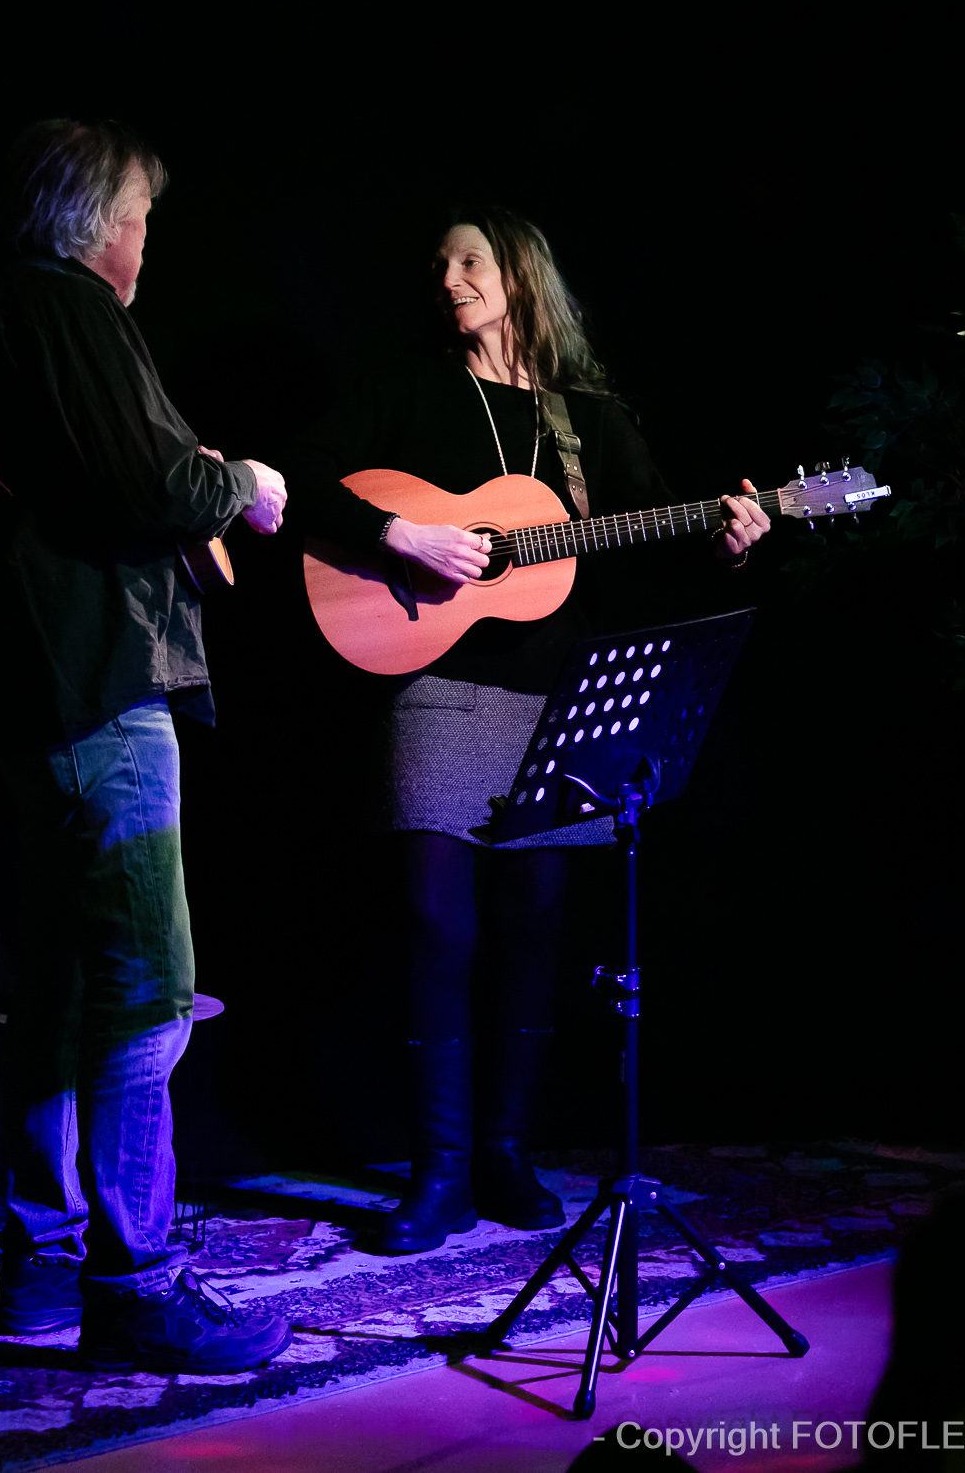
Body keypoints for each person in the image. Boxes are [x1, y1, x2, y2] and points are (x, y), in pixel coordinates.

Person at [281, 205, 769, 1253]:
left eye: (470, 260)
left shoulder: (585, 417)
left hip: (557, 697)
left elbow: (654, 535)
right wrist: (402, 530)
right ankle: (441, 1169)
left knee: (535, 925)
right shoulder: (404, 387)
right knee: (437, 924)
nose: (448, 276)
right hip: (435, 688)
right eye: (440, 262)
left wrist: (730, 541)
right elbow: (304, 479)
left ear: (520, 278)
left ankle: (505, 1152)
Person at [0, 119, 293, 1372]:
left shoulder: (8, 316)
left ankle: (43, 1267)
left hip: (39, 690)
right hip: (101, 687)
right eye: (142, 218)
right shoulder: (68, 309)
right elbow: (150, 481)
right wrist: (241, 485)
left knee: (56, 990)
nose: (147, 242)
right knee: (143, 993)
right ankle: (137, 1280)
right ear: (97, 219)